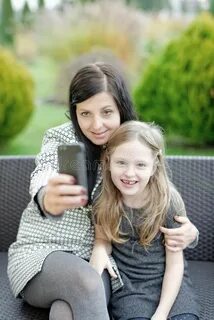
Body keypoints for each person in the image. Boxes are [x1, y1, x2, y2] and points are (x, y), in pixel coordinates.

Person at [7, 63, 198, 320]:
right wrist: (46, 196)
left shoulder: (131, 141)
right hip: (44, 254)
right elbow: (46, 172)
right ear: (75, 113)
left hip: (100, 258)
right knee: (86, 282)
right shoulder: (66, 142)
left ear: (121, 108)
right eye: (85, 114)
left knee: (65, 311)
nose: (96, 125)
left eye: (106, 111)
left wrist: (190, 232)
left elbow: (157, 187)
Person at [91, 120, 200, 320]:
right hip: (130, 289)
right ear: (108, 161)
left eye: (140, 164)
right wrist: (99, 250)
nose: (129, 173)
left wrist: (161, 314)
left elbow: (175, 265)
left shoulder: (168, 201)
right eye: (121, 162)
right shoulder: (103, 197)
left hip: (171, 285)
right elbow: (102, 239)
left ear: (154, 165)